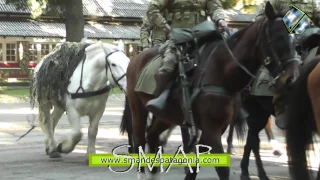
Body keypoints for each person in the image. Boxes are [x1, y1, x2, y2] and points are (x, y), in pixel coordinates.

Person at [145, 0, 228, 121]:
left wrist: (220, 19)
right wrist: (167, 28)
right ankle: (162, 99)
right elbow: (152, 9)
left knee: (225, 57)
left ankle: (234, 100)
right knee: (168, 62)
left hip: (203, 35)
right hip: (178, 37)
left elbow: (215, 7)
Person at [252, 0, 319, 129]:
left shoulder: (311, 2)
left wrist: (307, 26)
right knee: (284, 71)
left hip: (307, 42)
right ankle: (282, 108)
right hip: (283, 43)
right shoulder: (275, 1)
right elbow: (260, 18)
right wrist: (277, 25)